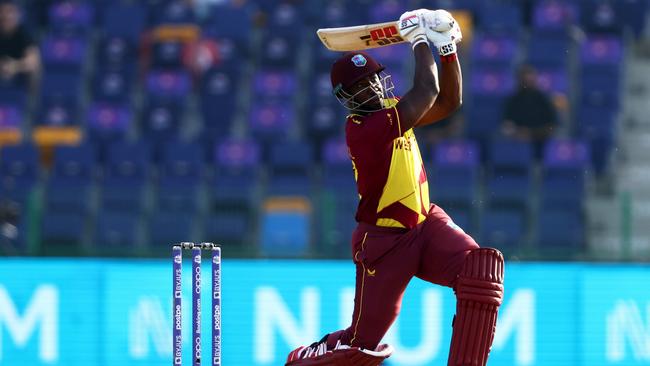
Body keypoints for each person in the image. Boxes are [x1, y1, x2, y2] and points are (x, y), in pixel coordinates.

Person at [285, 9, 505, 366]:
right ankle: (313, 354)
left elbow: (449, 101)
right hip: (385, 243)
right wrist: (419, 39)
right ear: (347, 97)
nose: (371, 87)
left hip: (426, 224)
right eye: (360, 86)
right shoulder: (364, 129)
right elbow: (427, 89)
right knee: (362, 346)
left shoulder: (392, 110)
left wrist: (447, 48)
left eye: (373, 79)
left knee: (481, 276)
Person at [501, 65, 558, 157]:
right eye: (525, 81)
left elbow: (552, 126)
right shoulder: (512, 101)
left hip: (541, 143)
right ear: (519, 81)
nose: (527, 84)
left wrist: (531, 134)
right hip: (517, 144)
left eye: (530, 81)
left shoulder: (543, 100)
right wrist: (516, 133)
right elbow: (506, 125)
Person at [0, 0, 40, 95]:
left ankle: (30, 106)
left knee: (36, 71)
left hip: (20, 73)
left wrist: (14, 66)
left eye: (10, 12)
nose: (6, 16)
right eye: (3, 12)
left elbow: (33, 61)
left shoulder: (24, 33)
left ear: (17, 15)